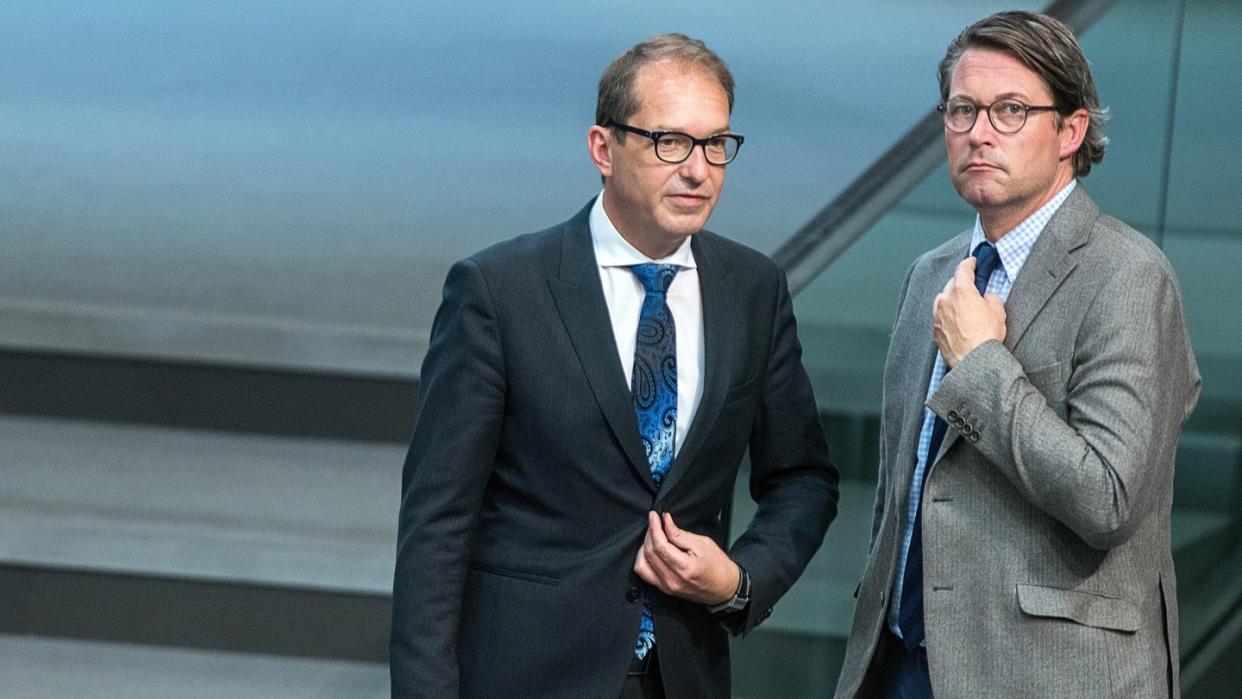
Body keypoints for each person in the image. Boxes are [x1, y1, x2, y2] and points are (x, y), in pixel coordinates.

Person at [390, 33, 839, 698]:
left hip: (683, 675)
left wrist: (739, 580)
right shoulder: (500, 290)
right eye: (670, 142)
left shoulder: (752, 288)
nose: (698, 169)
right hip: (526, 677)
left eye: (716, 144)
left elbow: (803, 477)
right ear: (603, 148)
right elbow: (437, 523)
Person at [835, 11, 1200, 698]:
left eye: (1010, 110)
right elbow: (902, 491)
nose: (978, 132)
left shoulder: (1129, 276)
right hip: (899, 666)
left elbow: (1110, 500)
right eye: (963, 109)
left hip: (1051, 677)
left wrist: (980, 367)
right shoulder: (930, 274)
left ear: (1071, 130)